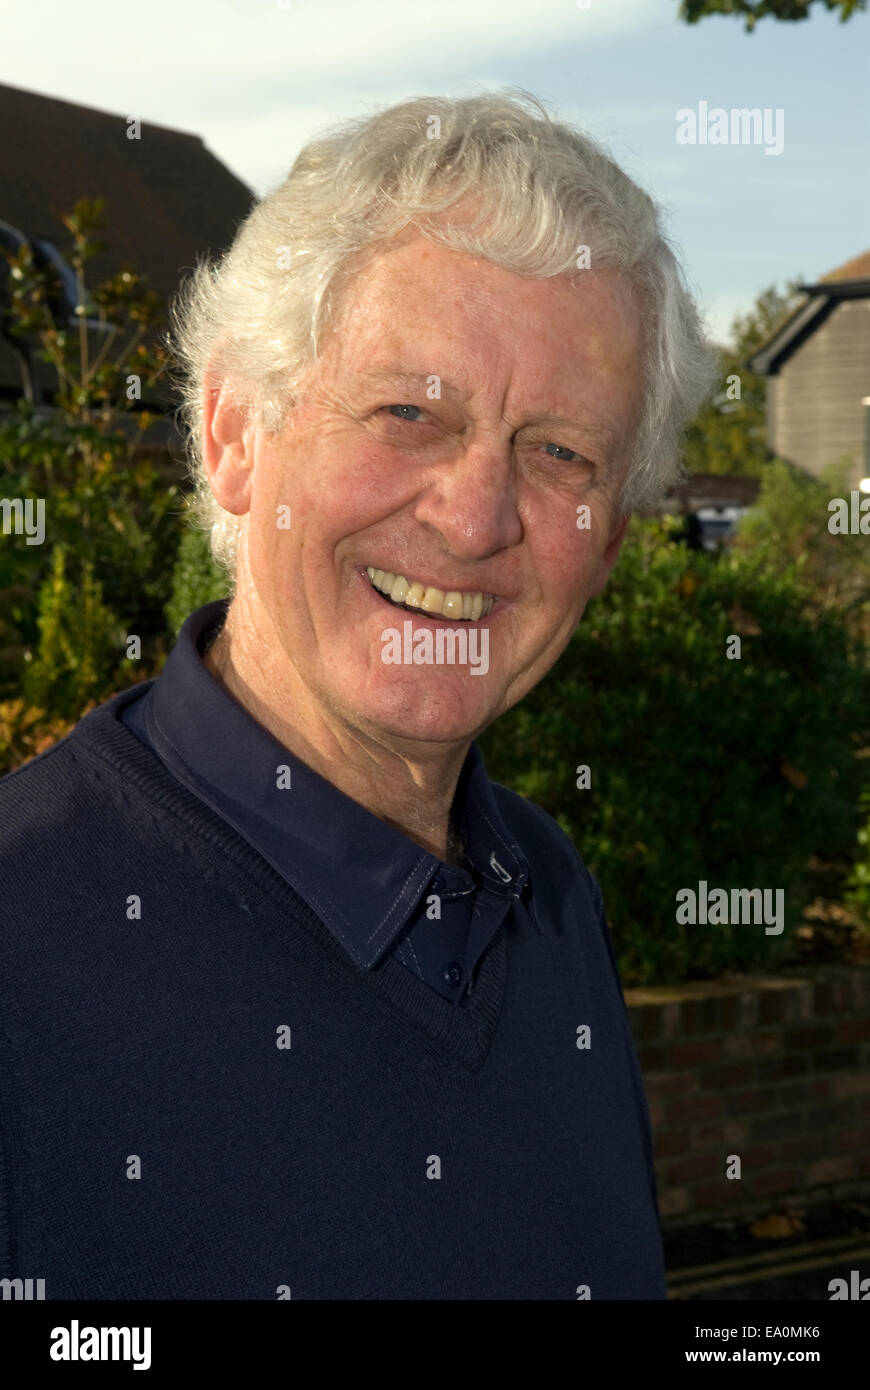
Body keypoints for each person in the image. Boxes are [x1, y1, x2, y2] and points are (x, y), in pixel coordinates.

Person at [0, 90, 716, 1300]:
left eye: (561, 453)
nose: (476, 518)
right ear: (232, 430)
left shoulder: (549, 898)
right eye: (409, 413)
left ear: (610, 537)